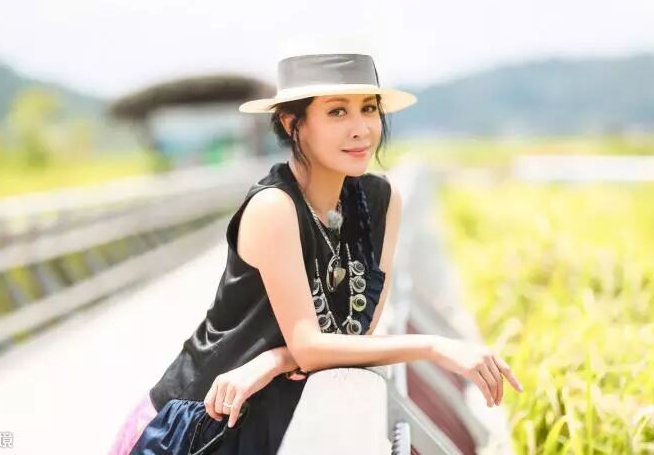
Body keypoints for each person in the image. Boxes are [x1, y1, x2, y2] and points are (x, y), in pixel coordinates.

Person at [108, 52, 523, 455]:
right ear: (293, 124)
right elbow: (311, 347)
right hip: (196, 425)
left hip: (270, 412)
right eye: (337, 112)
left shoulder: (381, 201)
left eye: (369, 109)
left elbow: (354, 337)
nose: (361, 129)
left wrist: (275, 360)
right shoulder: (274, 207)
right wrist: (432, 346)